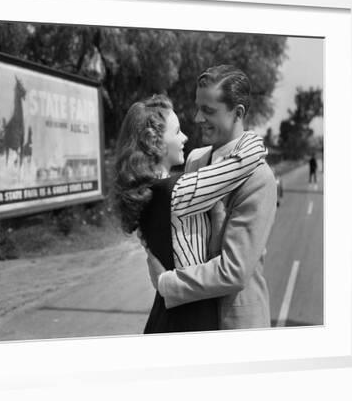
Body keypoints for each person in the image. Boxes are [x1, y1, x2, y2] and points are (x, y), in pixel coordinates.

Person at [113, 93, 267, 333]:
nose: (185, 137)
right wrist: (250, 136)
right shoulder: (177, 192)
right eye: (177, 132)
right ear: (154, 139)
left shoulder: (147, 191)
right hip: (188, 320)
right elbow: (243, 162)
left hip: (168, 314)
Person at [145, 65, 278, 330]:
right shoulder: (195, 159)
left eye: (208, 110)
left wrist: (167, 283)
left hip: (233, 325)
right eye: (198, 107)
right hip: (191, 318)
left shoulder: (259, 178)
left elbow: (234, 270)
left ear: (237, 113)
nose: (196, 118)